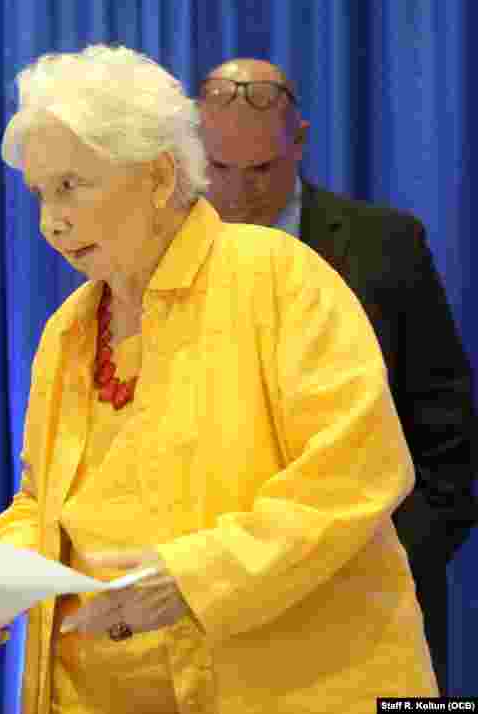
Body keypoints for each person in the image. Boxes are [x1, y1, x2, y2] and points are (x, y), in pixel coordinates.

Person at [0, 45, 437, 713]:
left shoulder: (277, 277)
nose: (49, 221)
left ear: (157, 176)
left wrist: (193, 579)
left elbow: (354, 472)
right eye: (38, 194)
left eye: (71, 186)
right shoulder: (70, 328)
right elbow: (47, 503)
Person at [197, 57, 477, 693]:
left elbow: (446, 430)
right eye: (218, 170)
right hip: (221, 605)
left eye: (261, 171)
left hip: (370, 598)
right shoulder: (163, 254)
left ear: (299, 142)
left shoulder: (386, 244)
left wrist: (399, 559)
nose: (238, 196)